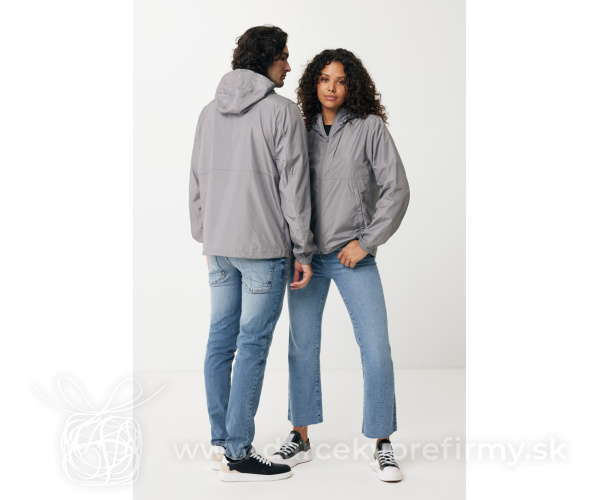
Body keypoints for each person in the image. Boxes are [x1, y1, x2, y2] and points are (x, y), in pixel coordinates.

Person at [269, 49, 410, 482]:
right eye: (325, 79)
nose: (332, 87)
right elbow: (284, 191)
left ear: (353, 86)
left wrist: (365, 243)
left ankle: (382, 442)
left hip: (352, 257)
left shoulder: (370, 128)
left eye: (341, 80)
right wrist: (296, 250)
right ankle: (300, 436)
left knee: (376, 347)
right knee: (302, 346)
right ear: (314, 82)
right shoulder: (299, 127)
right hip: (307, 258)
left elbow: (397, 189)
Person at [189, 25, 316, 482]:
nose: (289, 65)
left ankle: (220, 443)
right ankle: (239, 453)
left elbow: (196, 180)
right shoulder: (282, 112)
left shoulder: (208, 112)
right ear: (267, 59)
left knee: (220, 341)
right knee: (252, 345)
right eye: (284, 57)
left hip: (220, 247)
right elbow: (294, 190)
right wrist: (303, 249)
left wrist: (205, 236)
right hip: (263, 248)